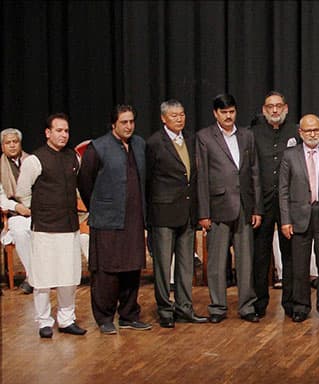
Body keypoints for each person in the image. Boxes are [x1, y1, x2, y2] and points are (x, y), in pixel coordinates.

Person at [78, 105, 151, 334]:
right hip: (107, 220)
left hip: (133, 218)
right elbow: (85, 182)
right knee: (107, 271)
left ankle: (129, 314)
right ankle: (104, 317)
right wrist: (99, 207)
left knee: (132, 267)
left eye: (131, 121)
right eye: (124, 123)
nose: (128, 126)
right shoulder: (98, 147)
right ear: (113, 125)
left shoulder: (139, 144)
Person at [16, 113, 87, 338]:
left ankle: (66, 319)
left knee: (69, 276)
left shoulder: (73, 157)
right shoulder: (35, 160)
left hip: (69, 227)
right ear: (48, 133)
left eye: (66, 131)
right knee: (44, 278)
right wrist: (38, 209)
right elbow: (23, 191)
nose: (63, 135)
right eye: (59, 130)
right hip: (45, 228)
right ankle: (44, 321)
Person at [195, 93, 262, 324]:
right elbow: (202, 176)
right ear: (215, 114)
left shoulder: (247, 136)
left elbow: (254, 172)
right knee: (216, 261)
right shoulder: (205, 137)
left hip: (244, 206)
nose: (228, 116)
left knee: (245, 260)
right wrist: (203, 213)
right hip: (217, 206)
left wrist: (257, 208)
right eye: (224, 112)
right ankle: (217, 306)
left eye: (231, 111)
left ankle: (247, 306)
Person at [145, 100, 208, 328]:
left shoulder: (191, 139)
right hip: (163, 212)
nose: (179, 119)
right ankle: (165, 308)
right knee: (163, 265)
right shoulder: (154, 143)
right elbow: (148, 180)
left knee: (185, 264)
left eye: (182, 114)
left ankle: (184, 307)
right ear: (163, 118)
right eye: (174, 116)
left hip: (187, 212)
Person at [278, 114, 319, 322]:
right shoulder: (290, 156)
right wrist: (286, 220)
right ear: (300, 133)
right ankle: (300, 305)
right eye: (308, 131)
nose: (312, 134)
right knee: (299, 265)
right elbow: (283, 190)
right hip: (298, 217)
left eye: (316, 130)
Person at [250, 91, 297, 314]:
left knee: (290, 254)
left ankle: (290, 302)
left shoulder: (295, 131)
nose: (275, 110)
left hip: (289, 204)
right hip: (263, 203)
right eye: (271, 107)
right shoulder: (253, 133)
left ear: (286, 107)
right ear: (264, 109)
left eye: (279, 106)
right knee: (260, 254)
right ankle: (259, 304)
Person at [0, 128, 33, 294]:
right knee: (20, 232)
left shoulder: (31, 161)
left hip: (37, 210)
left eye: (15, 141)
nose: (12, 145)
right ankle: (33, 276)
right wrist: (17, 207)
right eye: (8, 143)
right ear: (2, 147)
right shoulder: (0, 166)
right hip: (15, 213)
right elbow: (1, 197)